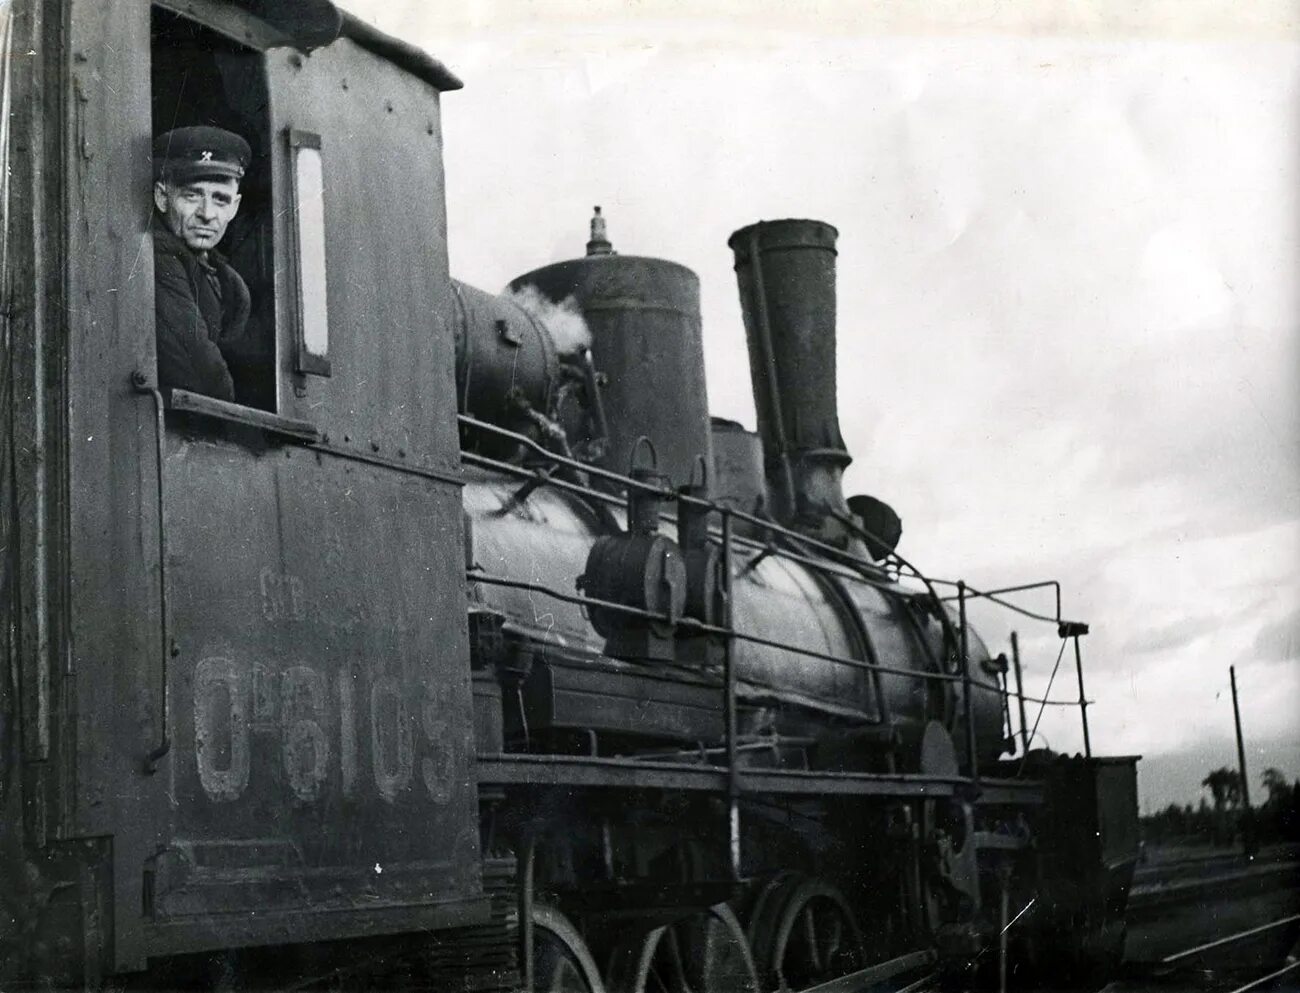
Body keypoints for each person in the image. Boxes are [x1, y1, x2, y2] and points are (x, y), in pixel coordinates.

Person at [152, 125, 253, 402]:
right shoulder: (158, 256)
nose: (207, 214)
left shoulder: (230, 284)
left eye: (220, 200)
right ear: (162, 197)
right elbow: (201, 371)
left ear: (234, 207)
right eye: (192, 195)